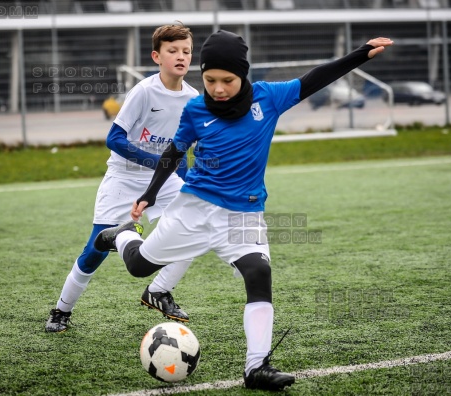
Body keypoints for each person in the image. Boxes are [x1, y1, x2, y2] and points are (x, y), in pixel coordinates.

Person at [94, 30, 393, 390]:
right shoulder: (195, 109)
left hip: (244, 214)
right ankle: (121, 235)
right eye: (209, 80)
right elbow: (173, 153)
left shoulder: (269, 98)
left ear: (243, 75)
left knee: (258, 273)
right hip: (195, 210)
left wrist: (361, 54)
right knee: (139, 266)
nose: (218, 89)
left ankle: (257, 368)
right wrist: (149, 195)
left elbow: (316, 78)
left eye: (227, 80)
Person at [45, 23, 199, 333]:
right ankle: (61, 311)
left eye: (187, 51)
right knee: (95, 252)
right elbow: (114, 139)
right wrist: (159, 162)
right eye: (173, 51)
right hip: (124, 179)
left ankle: (158, 291)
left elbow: (182, 149)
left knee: (196, 225)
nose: (181, 56)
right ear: (157, 56)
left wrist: (185, 175)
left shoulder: (194, 98)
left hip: (165, 181)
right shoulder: (144, 91)